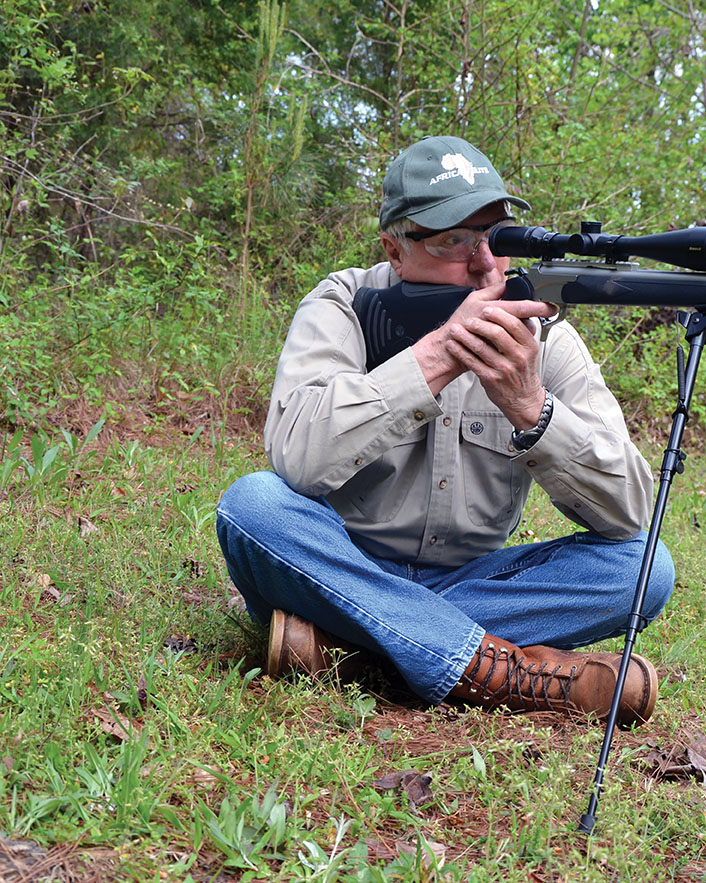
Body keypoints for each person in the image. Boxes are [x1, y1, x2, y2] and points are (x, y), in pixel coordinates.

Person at [215, 135, 674, 726]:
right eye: (454, 240)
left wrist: (534, 410)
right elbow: (299, 459)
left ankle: (354, 647)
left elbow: (633, 508)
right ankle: (498, 670)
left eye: (497, 238)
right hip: (342, 558)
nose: (484, 264)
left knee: (645, 568)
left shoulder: (544, 333)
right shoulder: (345, 304)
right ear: (395, 249)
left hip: (455, 577)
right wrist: (434, 361)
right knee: (254, 507)